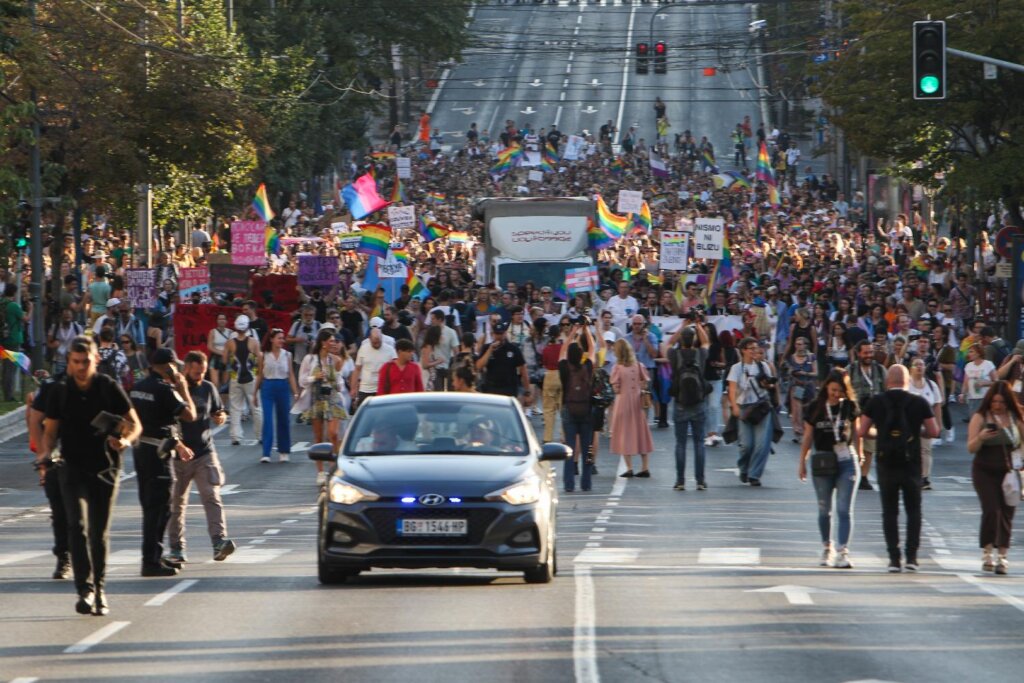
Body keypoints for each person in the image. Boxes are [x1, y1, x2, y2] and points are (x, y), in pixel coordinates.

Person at [40, 336, 141, 616]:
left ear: (95, 359)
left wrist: (124, 440)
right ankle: (84, 590)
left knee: (98, 533)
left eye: (86, 361)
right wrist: (46, 453)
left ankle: (100, 589)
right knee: (76, 526)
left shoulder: (108, 387)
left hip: (105, 468)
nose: (82, 367)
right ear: (69, 362)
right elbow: (50, 431)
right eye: (76, 362)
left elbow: (135, 424)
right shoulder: (60, 391)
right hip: (71, 467)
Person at [858, 365, 940, 573]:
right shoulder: (919, 402)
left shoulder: (876, 401)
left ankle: (894, 559)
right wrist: (914, 432)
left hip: (886, 462)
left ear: (887, 381)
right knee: (914, 510)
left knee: (889, 511)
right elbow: (933, 431)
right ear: (907, 381)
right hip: (911, 462)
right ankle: (911, 557)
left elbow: (862, 430)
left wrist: (882, 434)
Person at [129, 347, 198, 577]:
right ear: (168, 366)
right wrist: (183, 388)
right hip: (158, 453)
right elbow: (190, 415)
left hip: (141, 451)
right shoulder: (165, 389)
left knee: (150, 506)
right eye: (174, 365)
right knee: (160, 508)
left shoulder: (138, 387)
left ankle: (155, 556)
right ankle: (151, 561)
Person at [166, 351, 236, 565]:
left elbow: (218, 411)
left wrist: (220, 416)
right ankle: (177, 548)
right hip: (178, 455)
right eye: (197, 372)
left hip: (204, 452)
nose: (200, 376)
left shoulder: (208, 388)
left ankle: (219, 541)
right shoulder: (172, 390)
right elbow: (166, 423)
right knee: (176, 504)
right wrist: (178, 446)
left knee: (211, 496)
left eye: (203, 372)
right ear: (186, 368)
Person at [798, 370, 861, 569]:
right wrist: (802, 461)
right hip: (822, 460)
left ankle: (843, 551)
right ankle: (827, 547)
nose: (836, 394)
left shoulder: (850, 407)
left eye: (840, 391)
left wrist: (860, 454)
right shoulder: (815, 407)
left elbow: (856, 432)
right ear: (826, 387)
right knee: (824, 509)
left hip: (846, 460)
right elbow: (808, 436)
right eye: (833, 390)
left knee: (844, 509)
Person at [966, 381, 1024, 575]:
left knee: (1007, 512)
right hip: (984, 469)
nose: (997, 405)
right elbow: (970, 448)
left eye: (1001, 402)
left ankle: (1003, 556)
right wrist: (981, 437)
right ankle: (988, 552)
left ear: (1008, 402)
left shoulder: (1015, 417)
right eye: (994, 401)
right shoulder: (980, 417)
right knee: (992, 509)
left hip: (1009, 471)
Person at [27, 370, 70, 580]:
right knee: (60, 511)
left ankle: (84, 557)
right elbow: (34, 419)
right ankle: (63, 556)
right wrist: (42, 455)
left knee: (85, 514)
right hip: (56, 456)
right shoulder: (52, 385)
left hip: (87, 458)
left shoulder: (101, 383)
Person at [665, 322, 710, 491]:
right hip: (698, 402)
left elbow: (669, 343)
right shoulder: (700, 354)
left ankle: (680, 480)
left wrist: (682, 325)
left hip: (680, 403)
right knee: (699, 443)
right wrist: (698, 324)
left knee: (680, 443)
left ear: (681, 340)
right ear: (694, 339)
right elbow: (706, 342)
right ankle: (700, 480)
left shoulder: (674, 355)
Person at [727, 337, 777, 487]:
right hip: (744, 408)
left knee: (762, 444)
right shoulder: (736, 368)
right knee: (746, 445)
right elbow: (732, 389)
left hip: (761, 407)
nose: (755, 351)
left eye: (756, 348)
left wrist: (768, 385)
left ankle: (754, 474)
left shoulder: (763, 366)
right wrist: (734, 407)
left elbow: (770, 386)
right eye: (752, 348)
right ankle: (744, 468)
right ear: (743, 351)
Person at [610, 338, 654, 478]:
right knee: (641, 433)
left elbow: (616, 388)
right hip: (637, 402)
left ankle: (629, 468)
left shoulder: (617, 368)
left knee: (624, 434)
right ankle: (645, 467)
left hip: (623, 402)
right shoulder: (639, 365)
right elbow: (645, 382)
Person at [255, 328, 298, 463]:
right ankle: (266, 452)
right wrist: (254, 393)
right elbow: (260, 374)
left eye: (282, 338)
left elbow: (291, 374)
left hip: (283, 386)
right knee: (267, 419)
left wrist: (295, 392)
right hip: (267, 387)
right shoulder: (263, 355)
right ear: (271, 339)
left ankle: (284, 451)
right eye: (279, 338)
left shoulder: (287, 355)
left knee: (284, 419)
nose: (282, 340)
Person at [849, 340, 885, 491]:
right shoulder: (851, 370)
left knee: (870, 447)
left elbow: (886, 390)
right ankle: (853, 473)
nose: (869, 355)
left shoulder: (880, 370)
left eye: (871, 352)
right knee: (853, 445)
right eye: (865, 353)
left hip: (874, 414)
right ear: (858, 353)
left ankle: (863, 476)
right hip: (854, 414)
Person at [223, 315, 263, 446]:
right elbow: (260, 360)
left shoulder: (229, 343)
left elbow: (224, 360)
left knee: (235, 408)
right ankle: (260, 435)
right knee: (256, 407)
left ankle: (236, 437)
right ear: (247, 327)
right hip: (251, 378)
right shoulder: (254, 342)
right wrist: (259, 374)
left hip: (236, 378)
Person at [907, 357, 943, 491]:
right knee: (909, 450)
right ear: (911, 368)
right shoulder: (906, 384)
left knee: (926, 450)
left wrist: (938, 424)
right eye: (916, 365)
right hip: (909, 423)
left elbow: (937, 405)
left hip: (926, 423)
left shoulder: (931, 385)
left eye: (921, 365)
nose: (919, 367)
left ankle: (924, 477)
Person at [476, 321, 533, 402]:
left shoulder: (513, 349)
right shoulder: (486, 348)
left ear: (505, 333)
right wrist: (490, 351)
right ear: (492, 334)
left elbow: (523, 370)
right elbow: (478, 366)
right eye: (497, 334)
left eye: (501, 333)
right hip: (491, 389)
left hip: (509, 390)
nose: (499, 336)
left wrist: (527, 392)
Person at [350, 326, 397, 409]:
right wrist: (353, 388)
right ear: (369, 339)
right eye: (375, 342)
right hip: (365, 389)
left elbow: (396, 369)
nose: (377, 344)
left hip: (383, 389)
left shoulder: (390, 350)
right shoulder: (363, 349)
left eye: (379, 342)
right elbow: (357, 369)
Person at [786, 337, 818, 444]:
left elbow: (816, 373)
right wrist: (792, 373)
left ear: (806, 345)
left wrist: (805, 373)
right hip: (797, 386)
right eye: (797, 344)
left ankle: (809, 431)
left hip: (809, 385)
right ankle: (798, 432)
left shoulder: (811, 357)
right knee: (797, 409)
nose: (798, 346)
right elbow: (789, 371)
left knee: (809, 408)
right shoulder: (792, 357)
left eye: (801, 344)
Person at [0, 282, 26, 401]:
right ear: (14, 292)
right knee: (11, 368)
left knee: (5, 367)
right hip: (13, 339)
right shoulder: (13, 306)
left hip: (3, 338)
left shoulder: (1, 303)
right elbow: (26, 318)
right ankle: (9, 396)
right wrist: (31, 308)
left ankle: (6, 392)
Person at [962, 343, 996, 416]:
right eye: (969, 352)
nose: (969, 354)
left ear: (978, 353)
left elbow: (996, 382)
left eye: (971, 352)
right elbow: (965, 382)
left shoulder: (988, 364)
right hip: (972, 398)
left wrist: (985, 383)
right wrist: (963, 394)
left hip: (986, 398)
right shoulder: (968, 366)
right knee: (974, 419)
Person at [206, 313, 231, 392]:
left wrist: (226, 354)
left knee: (224, 384)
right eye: (220, 319)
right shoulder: (212, 332)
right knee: (215, 383)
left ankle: (222, 398)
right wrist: (221, 353)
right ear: (217, 321)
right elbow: (209, 346)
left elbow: (233, 345)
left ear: (226, 321)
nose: (222, 321)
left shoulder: (230, 332)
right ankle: (216, 397)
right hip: (215, 357)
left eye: (223, 319)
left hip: (227, 358)